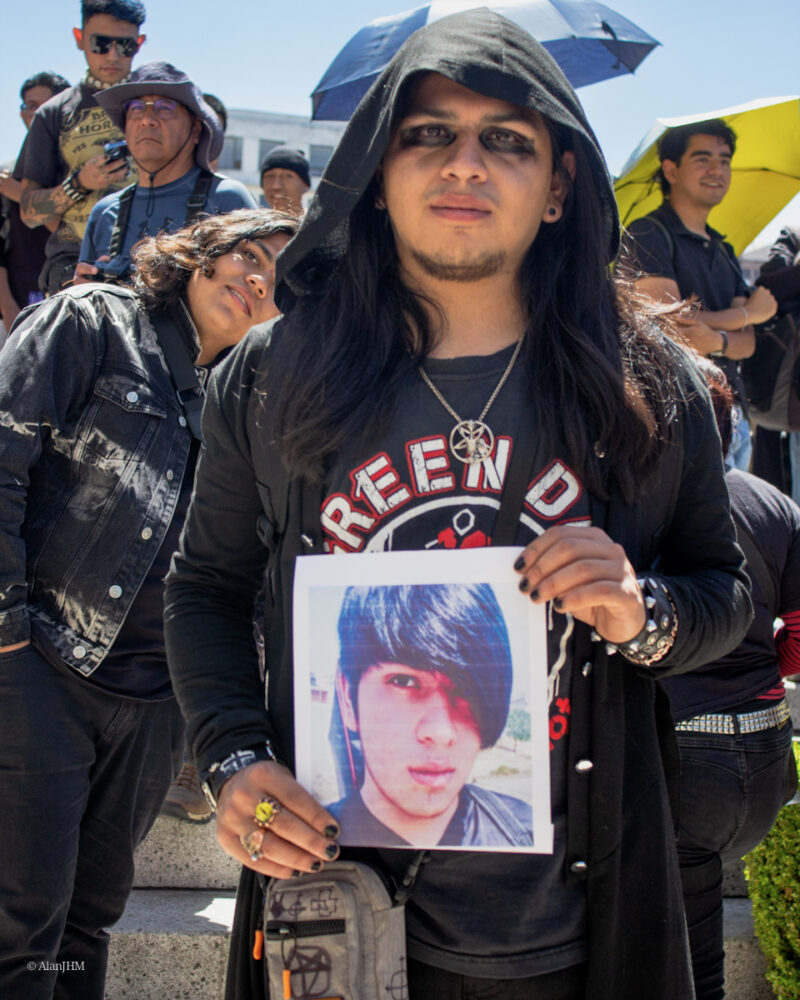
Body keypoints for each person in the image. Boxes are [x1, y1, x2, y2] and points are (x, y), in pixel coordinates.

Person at [163, 12, 751, 1000]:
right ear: (375, 173)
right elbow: (206, 588)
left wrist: (640, 611)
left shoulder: (651, 386)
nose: (464, 163)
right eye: (427, 133)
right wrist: (231, 757)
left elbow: (722, 595)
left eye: (506, 140)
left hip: (581, 930)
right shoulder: (272, 375)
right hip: (337, 924)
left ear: (559, 184)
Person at [0, 207, 297, 1000]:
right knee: (22, 919)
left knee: (88, 919)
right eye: (249, 253)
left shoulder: (253, 400)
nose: (259, 278)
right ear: (202, 253)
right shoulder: (91, 322)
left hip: (158, 701)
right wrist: (7, 635)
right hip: (41, 666)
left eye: (280, 277)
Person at [660, 356, 800, 1000]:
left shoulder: (646, 504)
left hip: (684, 762)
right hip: (769, 758)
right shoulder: (773, 502)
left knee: (692, 965)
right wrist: (764, 665)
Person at [620, 119, 777, 470]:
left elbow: (747, 343)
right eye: (702, 159)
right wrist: (748, 314)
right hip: (679, 413)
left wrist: (717, 339)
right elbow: (671, 327)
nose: (716, 170)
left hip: (735, 414)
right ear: (671, 170)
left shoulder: (725, 249)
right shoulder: (648, 233)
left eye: (724, 160)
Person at [330, 583, 533, 848]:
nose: (441, 732)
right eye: (403, 681)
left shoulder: (525, 832)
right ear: (347, 696)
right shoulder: (310, 839)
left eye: (465, 688)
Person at [75, 62, 255, 284]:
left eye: (165, 108)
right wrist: (83, 290)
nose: (147, 120)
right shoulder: (105, 212)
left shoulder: (227, 200)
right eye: (136, 108)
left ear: (196, 129)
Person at [15, 0, 147, 295]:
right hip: (73, 267)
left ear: (139, 43)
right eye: (101, 43)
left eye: (125, 45)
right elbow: (29, 213)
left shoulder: (160, 107)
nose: (113, 55)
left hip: (149, 264)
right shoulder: (53, 113)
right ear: (80, 38)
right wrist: (80, 183)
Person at [0, 71, 71, 330]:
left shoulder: (82, 171)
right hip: (17, 309)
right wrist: (8, 308)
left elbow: (73, 236)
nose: (37, 113)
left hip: (70, 302)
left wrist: (20, 195)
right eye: (30, 106)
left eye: (46, 105)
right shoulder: (7, 173)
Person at [259, 146, 310, 215]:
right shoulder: (252, 220)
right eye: (270, 176)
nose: (276, 185)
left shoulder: (320, 221)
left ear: (306, 185)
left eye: (288, 176)